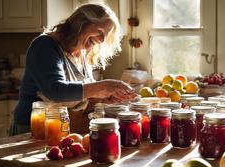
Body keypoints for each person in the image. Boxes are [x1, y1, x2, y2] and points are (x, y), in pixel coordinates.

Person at [10, 3, 137, 136]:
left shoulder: (81, 52)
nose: (102, 40)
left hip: (60, 128)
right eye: (100, 32)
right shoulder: (44, 45)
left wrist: (102, 98)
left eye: (106, 36)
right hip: (31, 129)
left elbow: (80, 95)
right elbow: (56, 91)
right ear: (81, 23)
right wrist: (103, 87)